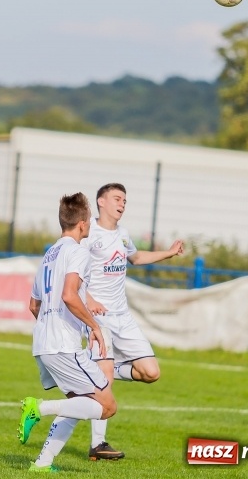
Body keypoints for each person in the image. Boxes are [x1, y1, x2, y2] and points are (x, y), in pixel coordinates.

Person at [82, 182, 184, 460]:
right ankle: (97, 446)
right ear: (101, 202)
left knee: (151, 372)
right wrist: (88, 298)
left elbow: (136, 257)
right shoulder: (87, 232)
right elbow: (71, 271)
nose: (122, 204)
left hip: (123, 317)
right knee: (104, 383)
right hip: (97, 318)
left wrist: (169, 252)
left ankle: (104, 370)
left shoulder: (123, 235)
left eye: (125, 200)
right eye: (117, 198)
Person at [18, 192, 117, 473]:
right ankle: (39, 407)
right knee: (107, 406)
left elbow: (33, 304)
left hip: (44, 344)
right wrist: (94, 327)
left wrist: (50, 327)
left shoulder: (49, 255)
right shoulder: (77, 252)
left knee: (79, 402)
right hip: (64, 346)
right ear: (83, 224)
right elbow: (69, 296)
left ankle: (43, 463)